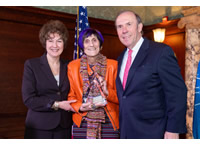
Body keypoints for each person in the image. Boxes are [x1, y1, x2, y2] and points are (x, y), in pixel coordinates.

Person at [115, 10, 187, 139]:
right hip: (126, 131)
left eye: (128, 24)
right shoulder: (120, 58)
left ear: (139, 27)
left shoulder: (161, 52)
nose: (124, 30)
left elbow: (177, 93)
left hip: (154, 132)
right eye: (119, 27)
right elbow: (126, 95)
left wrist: (173, 130)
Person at [22, 20, 76, 139]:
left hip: (64, 127)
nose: (55, 45)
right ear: (44, 42)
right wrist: (57, 104)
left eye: (59, 41)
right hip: (39, 128)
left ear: (64, 43)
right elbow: (29, 99)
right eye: (50, 40)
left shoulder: (70, 65)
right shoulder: (32, 65)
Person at [67, 28, 119, 139]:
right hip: (82, 121)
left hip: (108, 121)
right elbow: (70, 96)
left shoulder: (114, 65)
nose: (91, 44)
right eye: (87, 41)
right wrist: (80, 107)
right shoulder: (72, 67)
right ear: (82, 46)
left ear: (100, 45)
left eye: (94, 40)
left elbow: (122, 97)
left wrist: (107, 92)